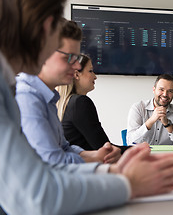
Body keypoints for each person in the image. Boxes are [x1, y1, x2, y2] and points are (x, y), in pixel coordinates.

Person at [0, 0, 173, 214]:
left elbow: (59, 156)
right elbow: (39, 194)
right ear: (44, 28)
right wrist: (127, 183)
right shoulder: (21, 93)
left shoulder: (26, 91)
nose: (77, 67)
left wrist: (112, 171)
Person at [16, 19, 121, 164]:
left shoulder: (50, 99)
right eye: (70, 57)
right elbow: (55, 163)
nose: (77, 65)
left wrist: (95, 155)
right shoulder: (27, 99)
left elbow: (65, 148)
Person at [57, 52, 112, 150]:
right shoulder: (80, 103)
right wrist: (141, 150)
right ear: (76, 74)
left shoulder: (63, 104)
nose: (95, 76)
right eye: (90, 71)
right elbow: (105, 149)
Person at [127, 74, 173, 148]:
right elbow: (130, 142)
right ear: (154, 90)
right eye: (161, 89)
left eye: (170, 91)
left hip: (167, 157)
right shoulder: (138, 108)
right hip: (143, 157)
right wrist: (150, 121)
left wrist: (167, 124)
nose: (165, 94)